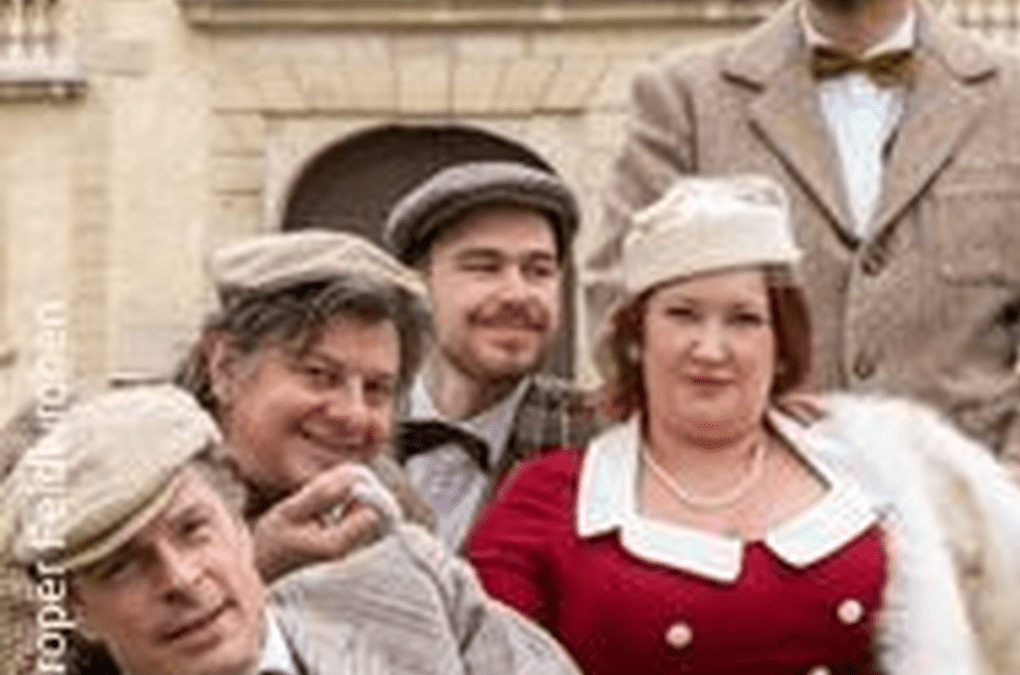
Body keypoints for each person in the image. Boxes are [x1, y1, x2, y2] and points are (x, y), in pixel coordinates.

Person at [588, 0, 1020, 670]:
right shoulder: (684, 97)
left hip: (987, 484)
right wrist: (737, 465)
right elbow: (621, 300)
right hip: (765, 495)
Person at [469, 175, 1020, 675]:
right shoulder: (549, 499)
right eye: (682, 314)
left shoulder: (883, 463)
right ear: (636, 336)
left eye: (744, 319)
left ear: (780, 343)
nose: (712, 348)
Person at [0, 385, 582, 675]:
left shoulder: (409, 585)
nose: (179, 578)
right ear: (75, 610)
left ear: (238, 519)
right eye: (121, 566)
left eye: (193, 529)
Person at [174, 229, 434, 581]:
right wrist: (255, 566)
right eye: (320, 375)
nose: (354, 414)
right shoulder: (144, 492)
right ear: (226, 368)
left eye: (376, 389)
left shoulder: (390, 507)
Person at [382, 161, 604, 551]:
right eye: (485, 267)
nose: (517, 294)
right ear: (417, 286)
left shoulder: (602, 443)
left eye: (539, 271)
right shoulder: (345, 426)